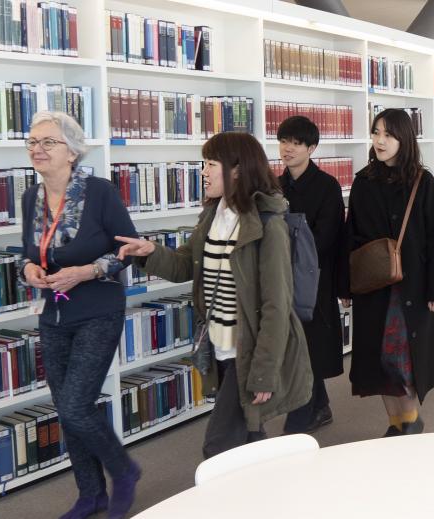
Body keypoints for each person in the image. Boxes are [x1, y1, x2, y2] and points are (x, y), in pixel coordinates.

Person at [116, 132, 312, 459]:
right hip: (218, 346)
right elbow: (184, 267)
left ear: (236, 169)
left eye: (210, 164)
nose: (203, 172)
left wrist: (264, 371)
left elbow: (276, 305)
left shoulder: (267, 223)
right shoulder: (213, 214)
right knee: (250, 434)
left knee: (218, 447)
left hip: (246, 351)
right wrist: (149, 252)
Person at [19, 111, 142, 519]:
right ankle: (91, 495)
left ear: (71, 151)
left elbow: (128, 249)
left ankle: (123, 471)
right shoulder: (30, 198)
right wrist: (28, 270)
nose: (38, 149)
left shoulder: (100, 192)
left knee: (76, 405)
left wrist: (86, 271)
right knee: (65, 409)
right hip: (54, 314)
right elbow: (29, 252)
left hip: (98, 309)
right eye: (33, 142)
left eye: (47, 142)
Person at [343, 109, 434, 437]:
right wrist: (345, 287)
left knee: (404, 358)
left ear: (404, 139)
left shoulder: (422, 180)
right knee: (380, 361)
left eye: (388, 134)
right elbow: (351, 235)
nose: (379, 140)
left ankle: (410, 419)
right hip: (372, 286)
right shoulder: (363, 181)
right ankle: (397, 423)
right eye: (376, 133)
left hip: (413, 288)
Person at [276, 116, 347, 435]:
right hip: (279, 278)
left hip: (314, 279)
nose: (287, 148)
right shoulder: (274, 186)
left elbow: (326, 237)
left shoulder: (327, 186)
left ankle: (302, 417)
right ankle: (319, 406)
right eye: (283, 141)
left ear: (311, 148)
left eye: (296, 143)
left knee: (310, 343)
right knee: (296, 345)